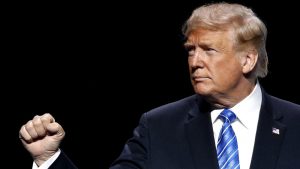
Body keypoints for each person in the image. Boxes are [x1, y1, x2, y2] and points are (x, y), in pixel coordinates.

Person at [19, 2, 300, 169]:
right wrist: (48, 159)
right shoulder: (159, 127)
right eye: (191, 50)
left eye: (209, 50)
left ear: (248, 60)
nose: (195, 61)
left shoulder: (297, 123)